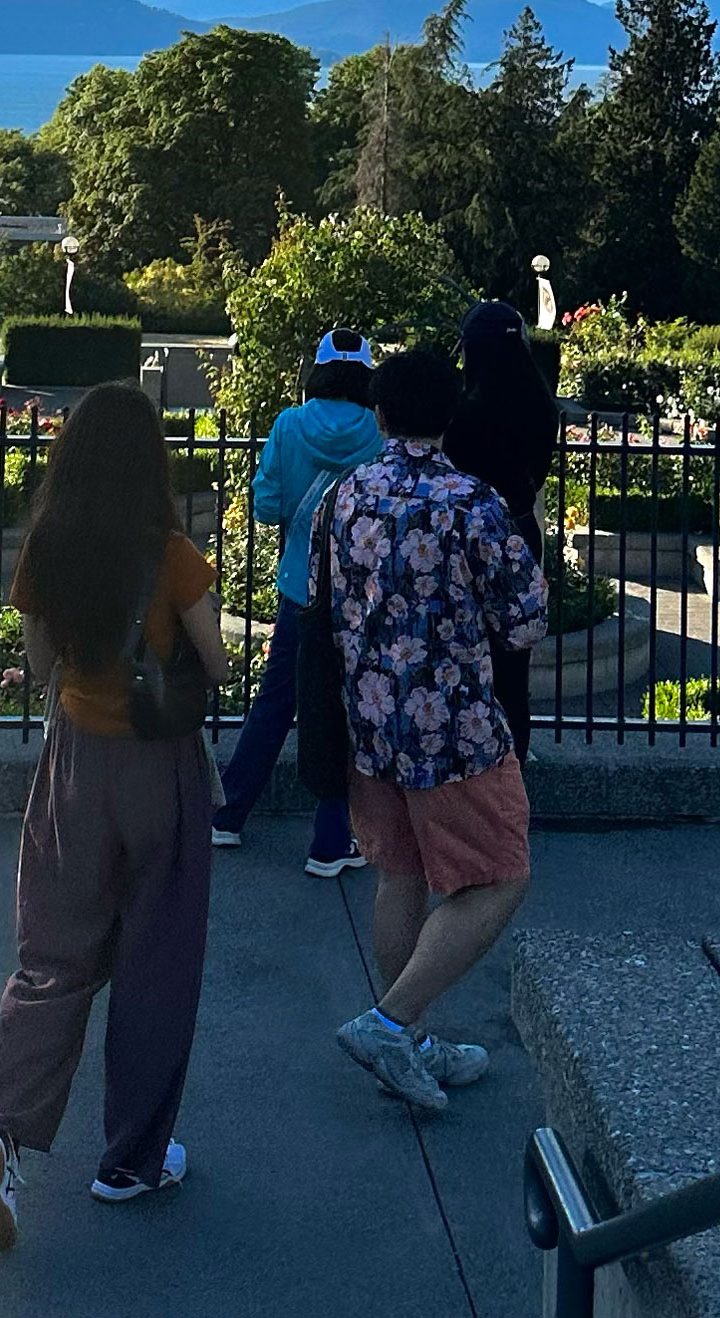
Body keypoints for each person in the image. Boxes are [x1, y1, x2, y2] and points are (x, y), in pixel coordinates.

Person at [0, 381, 230, 1253]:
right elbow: (219, 667)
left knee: (52, 957)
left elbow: (42, 659)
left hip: (75, 761)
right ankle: (129, 1162)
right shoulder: (175, 555)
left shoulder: (48, 545)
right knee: (157, 962)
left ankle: (1, 1131)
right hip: (160, 772)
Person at [315, 347, 548, 1112]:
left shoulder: (343, 496)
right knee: (500, 877)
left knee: (401, 874)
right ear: (451, 416)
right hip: (456, 731)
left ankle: (406, 1039)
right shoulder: (470, 502)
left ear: (379, 414)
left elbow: (321, 599)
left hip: (372, 724)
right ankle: (392, 1022)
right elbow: (523, 623)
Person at [211, 328, 381, 876]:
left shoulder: (289, 425)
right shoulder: (379, 431)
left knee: (275, 701)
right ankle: (331, 839)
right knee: (346, 709)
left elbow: (266, 504)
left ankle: (228, 812)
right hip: (358, 592)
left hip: (299, 585)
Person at [442, 301, 561, 762]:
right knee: (514, 658)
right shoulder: (541, 405)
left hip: (463, 537)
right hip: (519, 528)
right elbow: (538, 473)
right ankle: (513, 758)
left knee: (460, 648)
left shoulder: (463, 411)